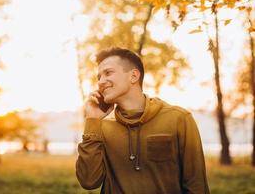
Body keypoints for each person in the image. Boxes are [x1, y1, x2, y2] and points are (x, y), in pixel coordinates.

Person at [76, 47, 210, 194]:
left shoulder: (179, 119)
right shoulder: (101, 127)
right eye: (99, 77)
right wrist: (92, 120)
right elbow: (89, 181)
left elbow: (197, 186)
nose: (101, 82)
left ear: (133, 76)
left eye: (108, 73)